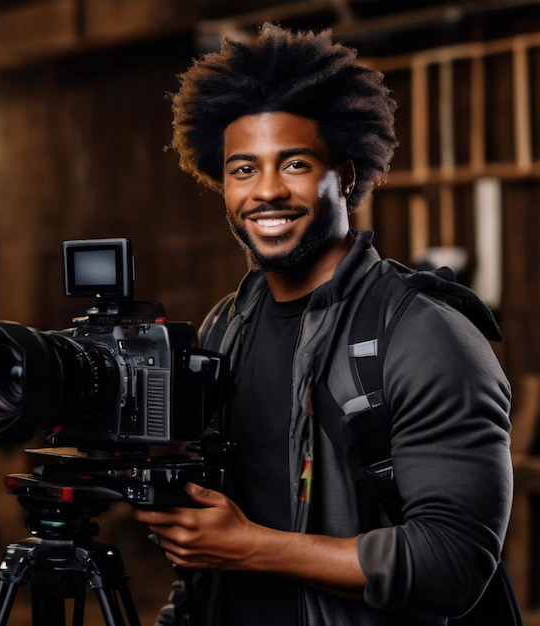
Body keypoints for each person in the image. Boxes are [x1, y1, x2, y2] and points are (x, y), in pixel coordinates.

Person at [133, 23, 513, 625]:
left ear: (347, 174)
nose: (267, 191)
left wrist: (249, 546)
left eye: (294, 163)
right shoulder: (225, 327)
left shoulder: (424, 334)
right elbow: (218, 530)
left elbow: (452, 563)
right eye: (243, 170)